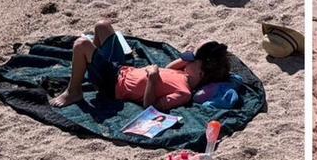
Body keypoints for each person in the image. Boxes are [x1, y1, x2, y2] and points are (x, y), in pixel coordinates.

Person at [48, 21, 230, 111]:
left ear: (200, 72)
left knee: (81, 44)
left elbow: (152, 107)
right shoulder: (183, 73)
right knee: (102, 26)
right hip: (121, 68)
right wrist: (188, 57)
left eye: (192, 60)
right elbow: (170, 68)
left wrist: (152, 78)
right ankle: (90, 63)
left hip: (113, 84)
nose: (186, 60)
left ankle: (74, 91)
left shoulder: (184, 93)